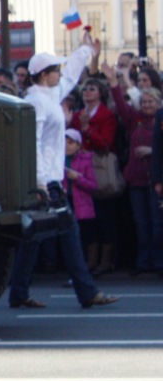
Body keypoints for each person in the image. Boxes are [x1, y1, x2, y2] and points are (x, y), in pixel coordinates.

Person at [7, 34, 117, 309]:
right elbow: (32, 144)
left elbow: (69, 78)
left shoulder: (46, 94)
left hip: (48, 178)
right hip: (46, 180)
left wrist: (85, 51)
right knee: (69, 233)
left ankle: (19, 293)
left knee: (33, 237)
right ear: (44, 75)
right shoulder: (37, 101)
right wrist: (42, 181)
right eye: (55, 69)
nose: (59, 73)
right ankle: (86, 291)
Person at [109, 67, 163, 274]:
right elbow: (122, 107)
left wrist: (152, 150)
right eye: (144, 102)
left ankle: (158, 261)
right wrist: (115, 83)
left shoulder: (160, 121)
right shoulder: (135, 121)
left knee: (157, 223)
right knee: (141, 224)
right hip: (137, 181)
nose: (147, 105)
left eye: (151, 102)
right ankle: (143, 262)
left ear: (159, 104)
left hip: (156, 180)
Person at [76, 76, 119, 274]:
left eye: (92, 89)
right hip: (81, 170)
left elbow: (106, 144)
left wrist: (87, 130)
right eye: (85, 89)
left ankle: (105, 260)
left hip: (100, 169)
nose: (87, 92)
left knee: (104, 216)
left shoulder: (107, 115)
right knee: (87, 219)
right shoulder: (78, 114)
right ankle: (90, 261)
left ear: (100, 93)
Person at [63, 129, 98, 259]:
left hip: (82, 204)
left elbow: (93, 185)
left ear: (78, 145)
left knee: (86, 236)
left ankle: (90, 263)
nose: (66, 145)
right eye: (64, 142)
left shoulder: (86, 160)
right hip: (66, 201)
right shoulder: (58, 160)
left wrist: (77, 178)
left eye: (71, 142)